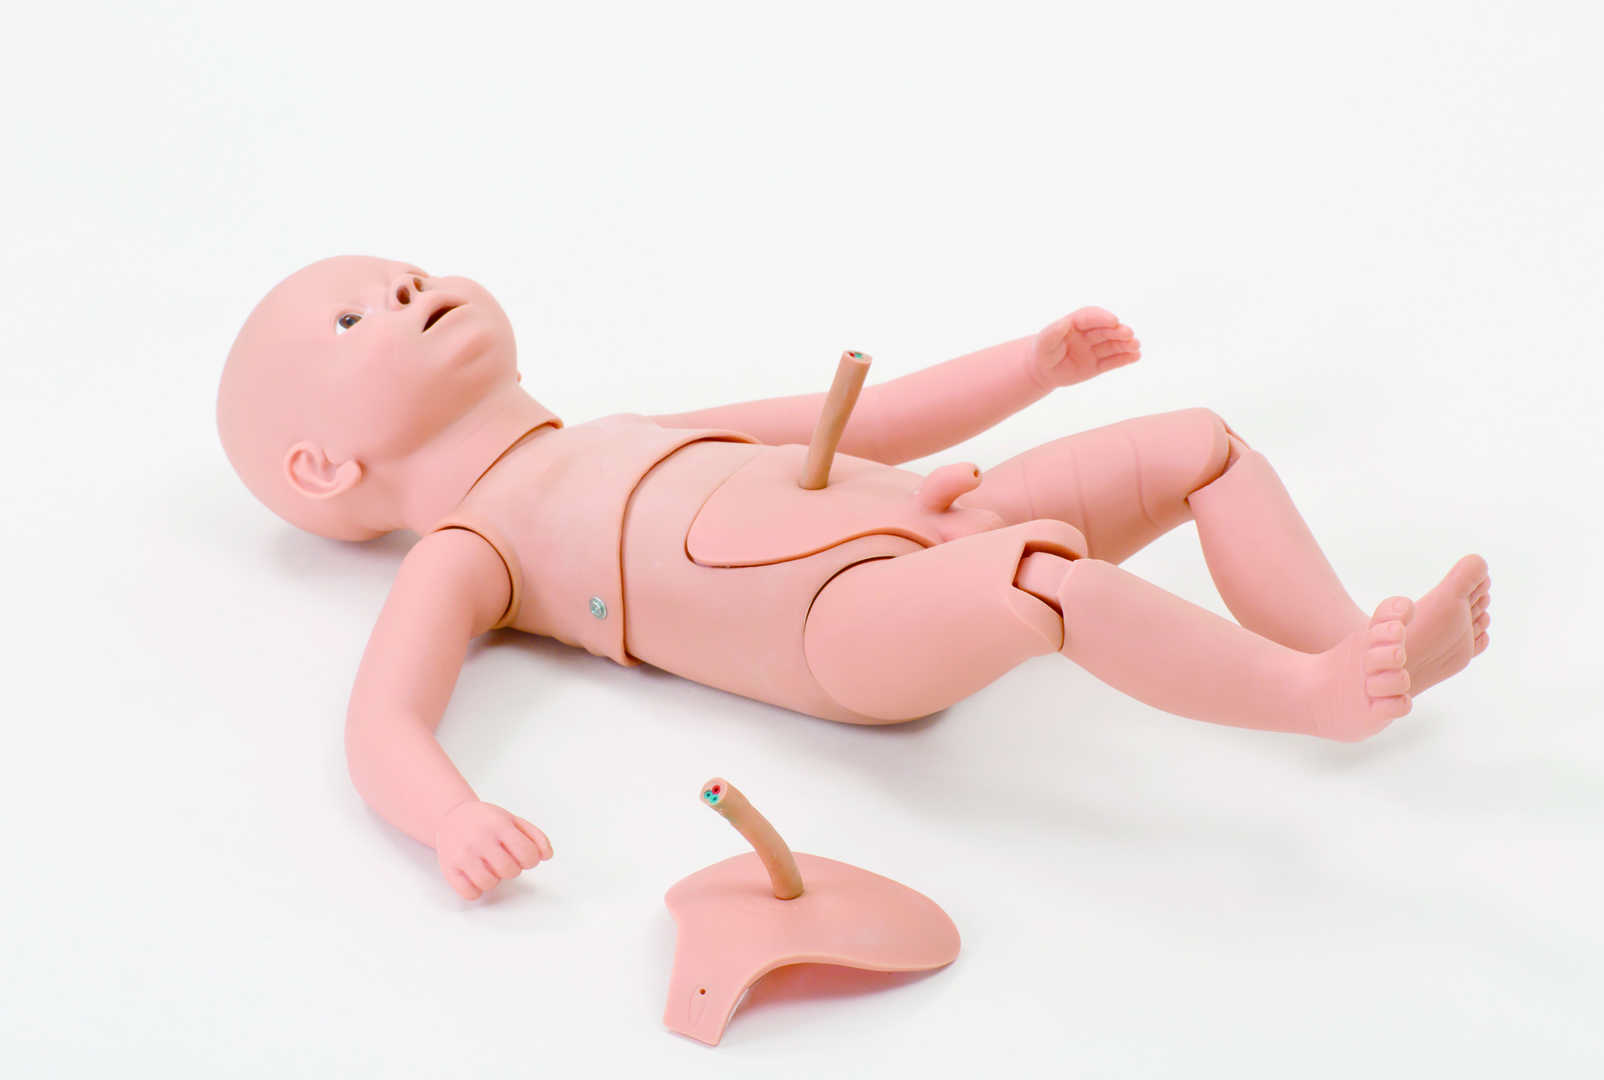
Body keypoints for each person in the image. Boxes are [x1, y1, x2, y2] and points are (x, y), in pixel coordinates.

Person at [218, 256, 1490, 900]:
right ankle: (1320, 698)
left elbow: (871, 422)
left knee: (1198, 443)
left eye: (404, 269)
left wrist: (1030, 369)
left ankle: (1349, 636)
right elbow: (383, 721)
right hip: (846, 628)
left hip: (944, 516)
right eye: (355, 317)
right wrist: (451, 820)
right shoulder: (472, 549)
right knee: (1047, 581)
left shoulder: (632, 427)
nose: (406, 284)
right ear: (322, 469)